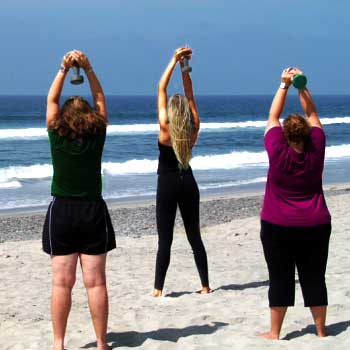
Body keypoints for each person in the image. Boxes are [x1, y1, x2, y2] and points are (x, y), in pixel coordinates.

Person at [42, 50, 115, 350]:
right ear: (88, 117)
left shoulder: (56, 134)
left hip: (62, 212)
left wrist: (63, 68)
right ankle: (100, 343)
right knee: (95, 282)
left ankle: (59, 343)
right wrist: (89, 69)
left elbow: (51, 102)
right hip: (92, 211)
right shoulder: (97, 132)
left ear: (63, 118)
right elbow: (100, 100)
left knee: (62, 282)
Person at [259, 67, 332, 339]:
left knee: (280, 277)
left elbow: (272, 117)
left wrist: (283, 84)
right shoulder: (317, 147)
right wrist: (302, 85)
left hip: (277, 224)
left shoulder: (277, 148)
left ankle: (275, 332)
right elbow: (313, 115)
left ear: (285, 134)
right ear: (307, 134)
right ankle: (321, 331)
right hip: (316, 223)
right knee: (315, 276)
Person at [153, 47, 211, 297]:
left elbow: (161, 89)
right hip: (188, 182)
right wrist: (185, 68)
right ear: (186, 111)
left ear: (170, 111)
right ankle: (206, 286)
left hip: (166, 184)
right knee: (194, 236)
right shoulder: (193, 126)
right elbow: (189, 93)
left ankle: (158, 289)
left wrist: (173, 60)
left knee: (165, 238)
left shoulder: (165, 128)